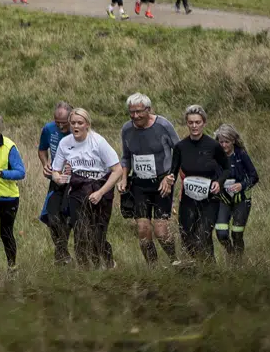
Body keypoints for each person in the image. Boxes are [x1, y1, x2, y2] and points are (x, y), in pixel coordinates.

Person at [50, 108, 123, 268]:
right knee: (80, 233)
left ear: (87, 125)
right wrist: (57, 177)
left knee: (97, 236)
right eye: (73, 123)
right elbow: (55, 170)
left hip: (100, 188)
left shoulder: (98, 142)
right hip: (78, 189)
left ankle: (109, 263)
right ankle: (86, 271)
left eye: (80, 123)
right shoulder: (65, 143)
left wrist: (100, 192)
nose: (76, 126)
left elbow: (117, 170)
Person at [118, 92, 181, 264]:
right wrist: (124, 178)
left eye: (139, 112)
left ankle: (175, 260)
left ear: (148, 109)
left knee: (160, 230)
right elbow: (126, 157)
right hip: (139, 183)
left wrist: (170, 177)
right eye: (131, 112)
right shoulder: (126, 129)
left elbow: (179, 151)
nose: (135, 116)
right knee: (143, 229)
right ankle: (153, 267)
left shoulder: (163, 125)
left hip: (162, 182)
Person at [170, 104, 230, 261]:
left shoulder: (213, 146)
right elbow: (173, 172)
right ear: (187, 123)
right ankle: (202, 265)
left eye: (197, 122)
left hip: (209, 199)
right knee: (186, 236)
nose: (194, 126)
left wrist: (219, 182)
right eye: (191, 122)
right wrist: (168, 181)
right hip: (188, 199)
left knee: (203, 235)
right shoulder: (180, 147)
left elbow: (227, 168)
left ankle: (209, 267)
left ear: (204, 123)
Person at [0, 113, 25, 271]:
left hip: (8, 197)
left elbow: (21, 172)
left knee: (6, 233)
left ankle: (12, 266)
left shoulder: (9, 147)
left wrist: (1, 173)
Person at [213, 123, 258, 259]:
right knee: (221, 233)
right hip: (223, 200)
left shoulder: (241, 154)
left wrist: (242, 185)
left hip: (241, 199)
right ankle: (230, 252)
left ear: (233, 140)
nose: (223, 145)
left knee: (237, 234)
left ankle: (238, 261)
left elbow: (254, 176)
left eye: (226, 142)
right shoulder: (214, 156)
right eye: (221, 142)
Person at [38, 102, 73, 263]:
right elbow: (42, 150)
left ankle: (61, 254)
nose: (60, 126)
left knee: (67, 218)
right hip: (56, 179)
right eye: (57, 122)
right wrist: (46, 164)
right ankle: (62, 252)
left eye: (64, 123)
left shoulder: (78, 131)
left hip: (74, 182)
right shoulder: (48, 129)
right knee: (51, 218)